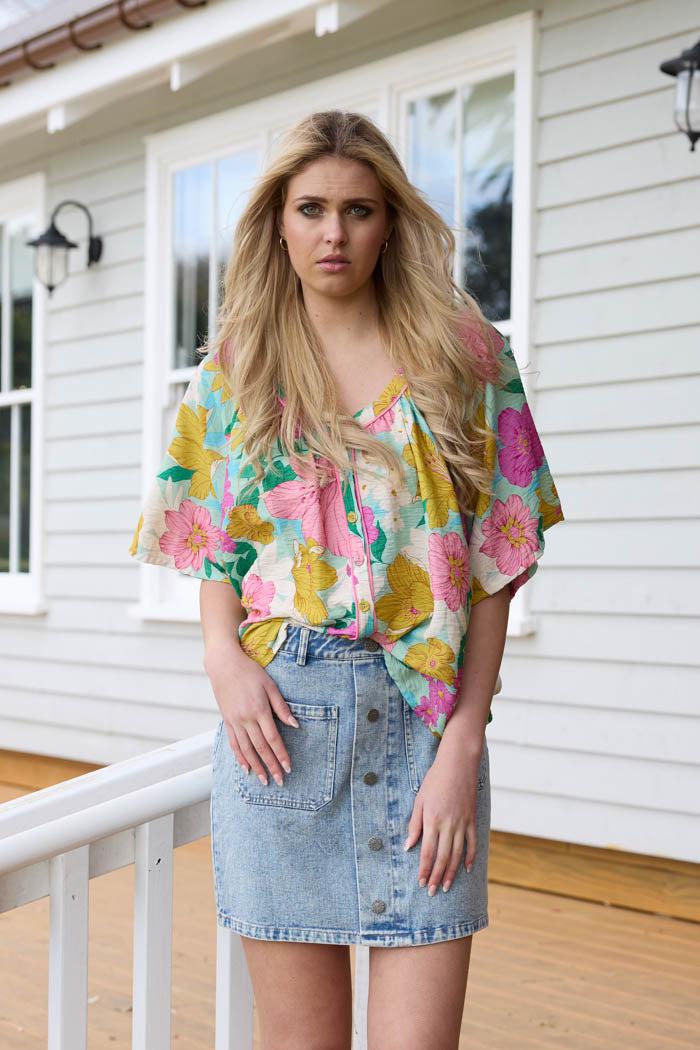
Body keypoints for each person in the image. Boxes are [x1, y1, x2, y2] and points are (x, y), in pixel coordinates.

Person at [129, 110, 564, 1050]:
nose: (335, 234)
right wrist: (221, 658)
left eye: (359, 210)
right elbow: (212, 542)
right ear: (278, 223)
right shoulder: (233, 377)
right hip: (283, 726)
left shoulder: (468, 358)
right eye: (312, 208)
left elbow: (500, 561)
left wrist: (464, 744)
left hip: (426, 733)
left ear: (390, 222)